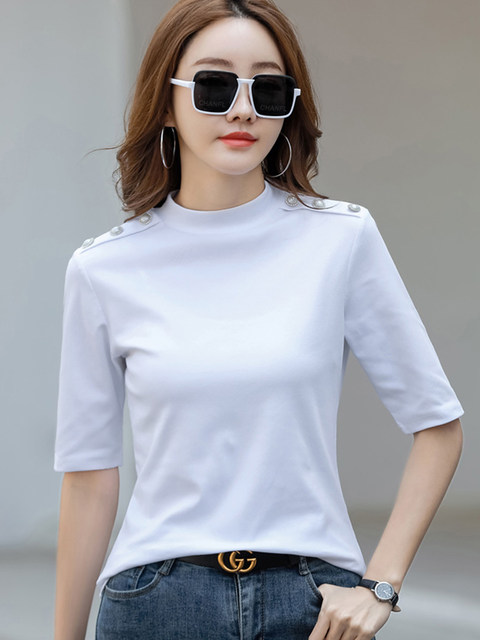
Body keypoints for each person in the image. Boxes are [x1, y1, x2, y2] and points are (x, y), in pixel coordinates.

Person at [53, 1, 464, 639]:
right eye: (215, 85)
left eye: (267, 90)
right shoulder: (103, 269)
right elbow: (89, 478)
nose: (243, 109)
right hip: (155, 604)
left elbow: (438, 426)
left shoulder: (341, 239)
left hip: (311, 602)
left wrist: (380, 584)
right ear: (166, 103)